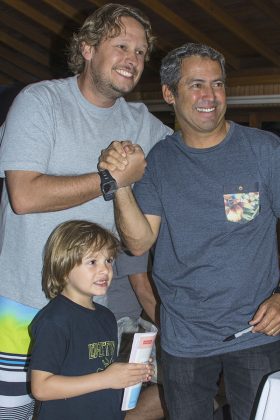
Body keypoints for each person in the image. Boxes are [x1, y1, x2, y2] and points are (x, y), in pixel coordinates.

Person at [0, 3, 172, 418]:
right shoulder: (40, 101)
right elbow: (24, 196)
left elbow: (189, 160)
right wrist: (112, 178)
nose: (133, 59)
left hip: (89, 310)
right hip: (22, 303)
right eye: (122, 45)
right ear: (89, 47)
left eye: (141, 52)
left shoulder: (142, 122)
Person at [105, 43, 280, 420]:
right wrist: (120, 185)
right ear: (169, 93)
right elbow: (138, 241)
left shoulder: (265, 151)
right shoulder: (160, 162)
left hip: (257, 331)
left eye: (217, 85)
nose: (210, 96)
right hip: (185, 337)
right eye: (196, 85)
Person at [29, 220, 153, 420]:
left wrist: (131, 373)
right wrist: (106, 379)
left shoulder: (106, 317)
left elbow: (101, 368)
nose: (105, 270)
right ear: (64, 265)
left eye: (109, 260)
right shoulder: (55, 320)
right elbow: (41, 387)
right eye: (93, 262)